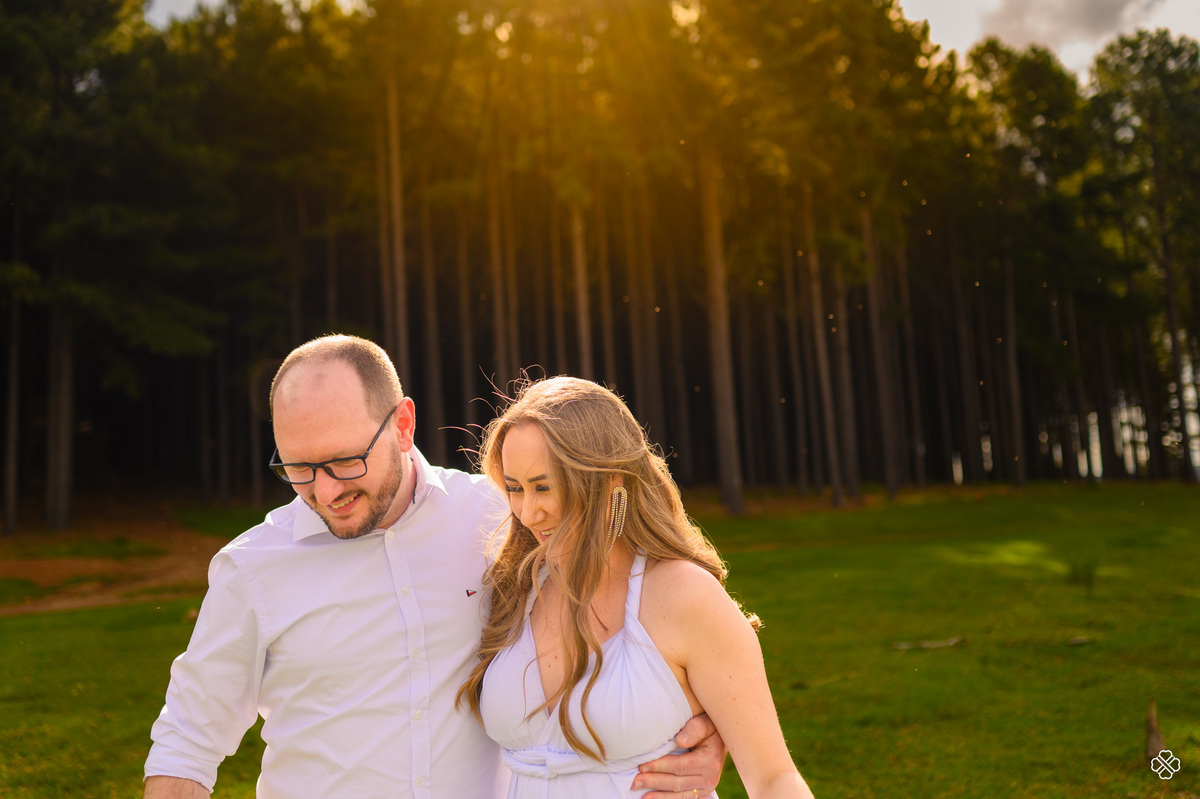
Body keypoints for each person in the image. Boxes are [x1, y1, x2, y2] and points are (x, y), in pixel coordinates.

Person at [143, 334, 725, 798]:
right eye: (296, 469)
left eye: (344, 461)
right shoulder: (251, 570)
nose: (322, 492)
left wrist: (711, 728)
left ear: (402, 425)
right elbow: (188, 740)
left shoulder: (505, 517)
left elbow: (653, 606)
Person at [458, 377, 816, 798]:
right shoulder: (513, 592)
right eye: (514, 489)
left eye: (544, 487)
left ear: (610, 481)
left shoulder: (684, 595)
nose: (527, 512)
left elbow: (774, 778)